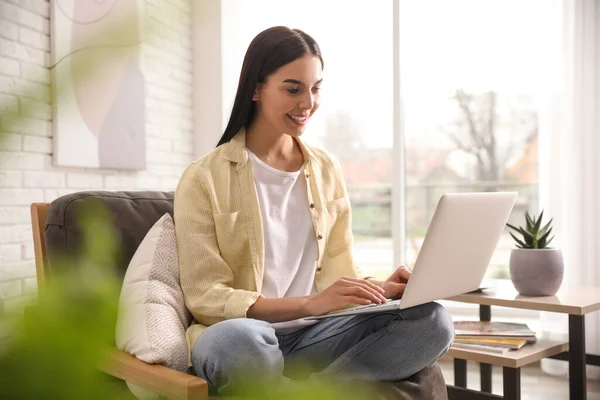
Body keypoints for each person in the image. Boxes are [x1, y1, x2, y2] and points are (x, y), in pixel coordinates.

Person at [174, 26, 454, 395]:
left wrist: (383, 290)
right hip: (246, 338)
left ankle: (300, 389)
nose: (308, 103)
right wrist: (310, 303)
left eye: (316, 88)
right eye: (293, 89)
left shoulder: (326, 170)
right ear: (256, 89)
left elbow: (341, 273)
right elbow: (205, 297)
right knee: (235, 343)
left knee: (434, 321)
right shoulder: (203, 177)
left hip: (320, 335)